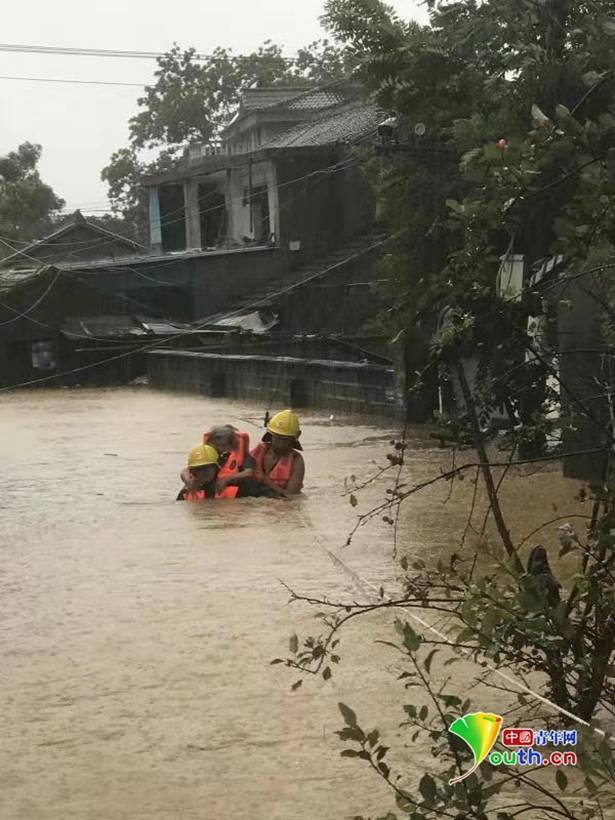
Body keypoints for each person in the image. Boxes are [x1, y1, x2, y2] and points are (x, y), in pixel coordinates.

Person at [180, 425, 256, 496]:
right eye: (216, 445)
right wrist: (189, 482)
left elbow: (249, 472)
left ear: (232, 445)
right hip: (208, 484)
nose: (219, 448)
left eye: (223, 445)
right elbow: (185, 471)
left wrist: (227, 479)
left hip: (234, 485)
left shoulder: (240, 455)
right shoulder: (207, 453)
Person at [251, 409, 305, 496]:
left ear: (294, 438)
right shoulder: (259, 450)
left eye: (286, 440)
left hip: (278, 503)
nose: (280, 444)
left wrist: (265, 480)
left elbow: (291, 496)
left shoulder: (296, 460)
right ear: (270, 435)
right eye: (277, 438)